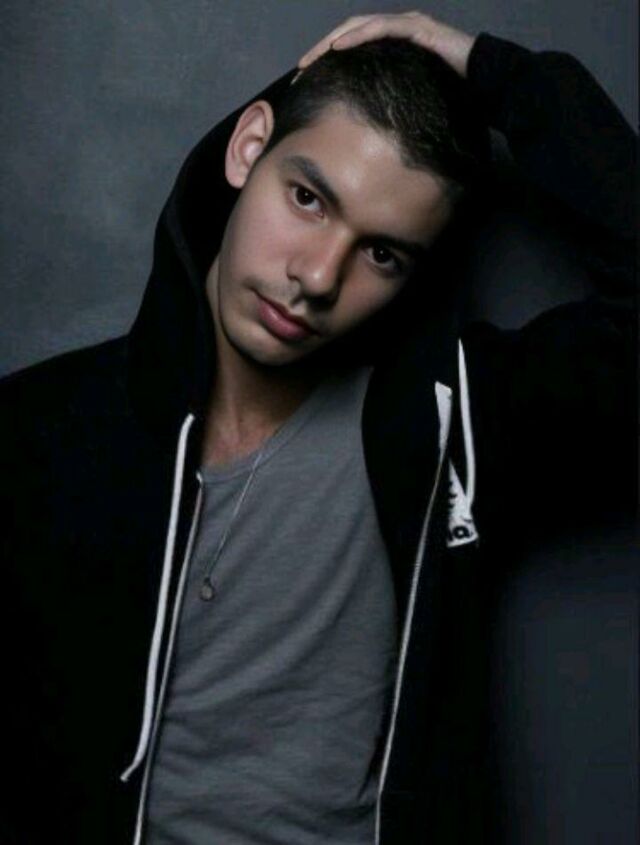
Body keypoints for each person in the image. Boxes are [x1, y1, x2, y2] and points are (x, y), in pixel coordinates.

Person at [1, 10, 635, 845]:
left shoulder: (451, 423)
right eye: (307, 198)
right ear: (247, 148)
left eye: (382, 253)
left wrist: (502, 76)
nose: (317, 275)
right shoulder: (39, 432)